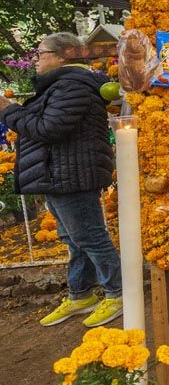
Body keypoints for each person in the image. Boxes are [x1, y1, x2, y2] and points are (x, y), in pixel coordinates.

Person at [0, 33, 123, 328]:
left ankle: (118, 293)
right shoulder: (60, 85)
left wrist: (9, 111)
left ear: (63, 55)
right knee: (73, 239)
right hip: (58, 173)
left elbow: (49, 128)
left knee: (90, 237)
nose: (36, 60)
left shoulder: (72, 85)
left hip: (71, 174)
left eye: (41, 53)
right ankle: (81, 293)